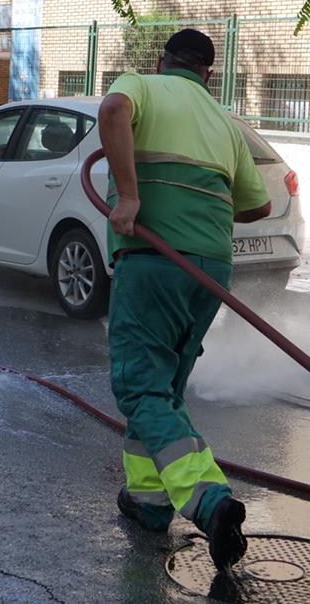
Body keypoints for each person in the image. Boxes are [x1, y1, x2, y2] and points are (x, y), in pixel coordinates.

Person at [97, 28, 272, 573]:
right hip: (209, 269)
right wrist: (205, 206)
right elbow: (259, 207)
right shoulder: (225, 122)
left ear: (162, 60)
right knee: (164, 387)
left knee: (139, 384)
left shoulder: (142, 86)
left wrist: (132, 196)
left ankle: (211, 502)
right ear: (209, 74)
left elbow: (112, 111)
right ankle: (149, 503)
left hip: (154, 261)